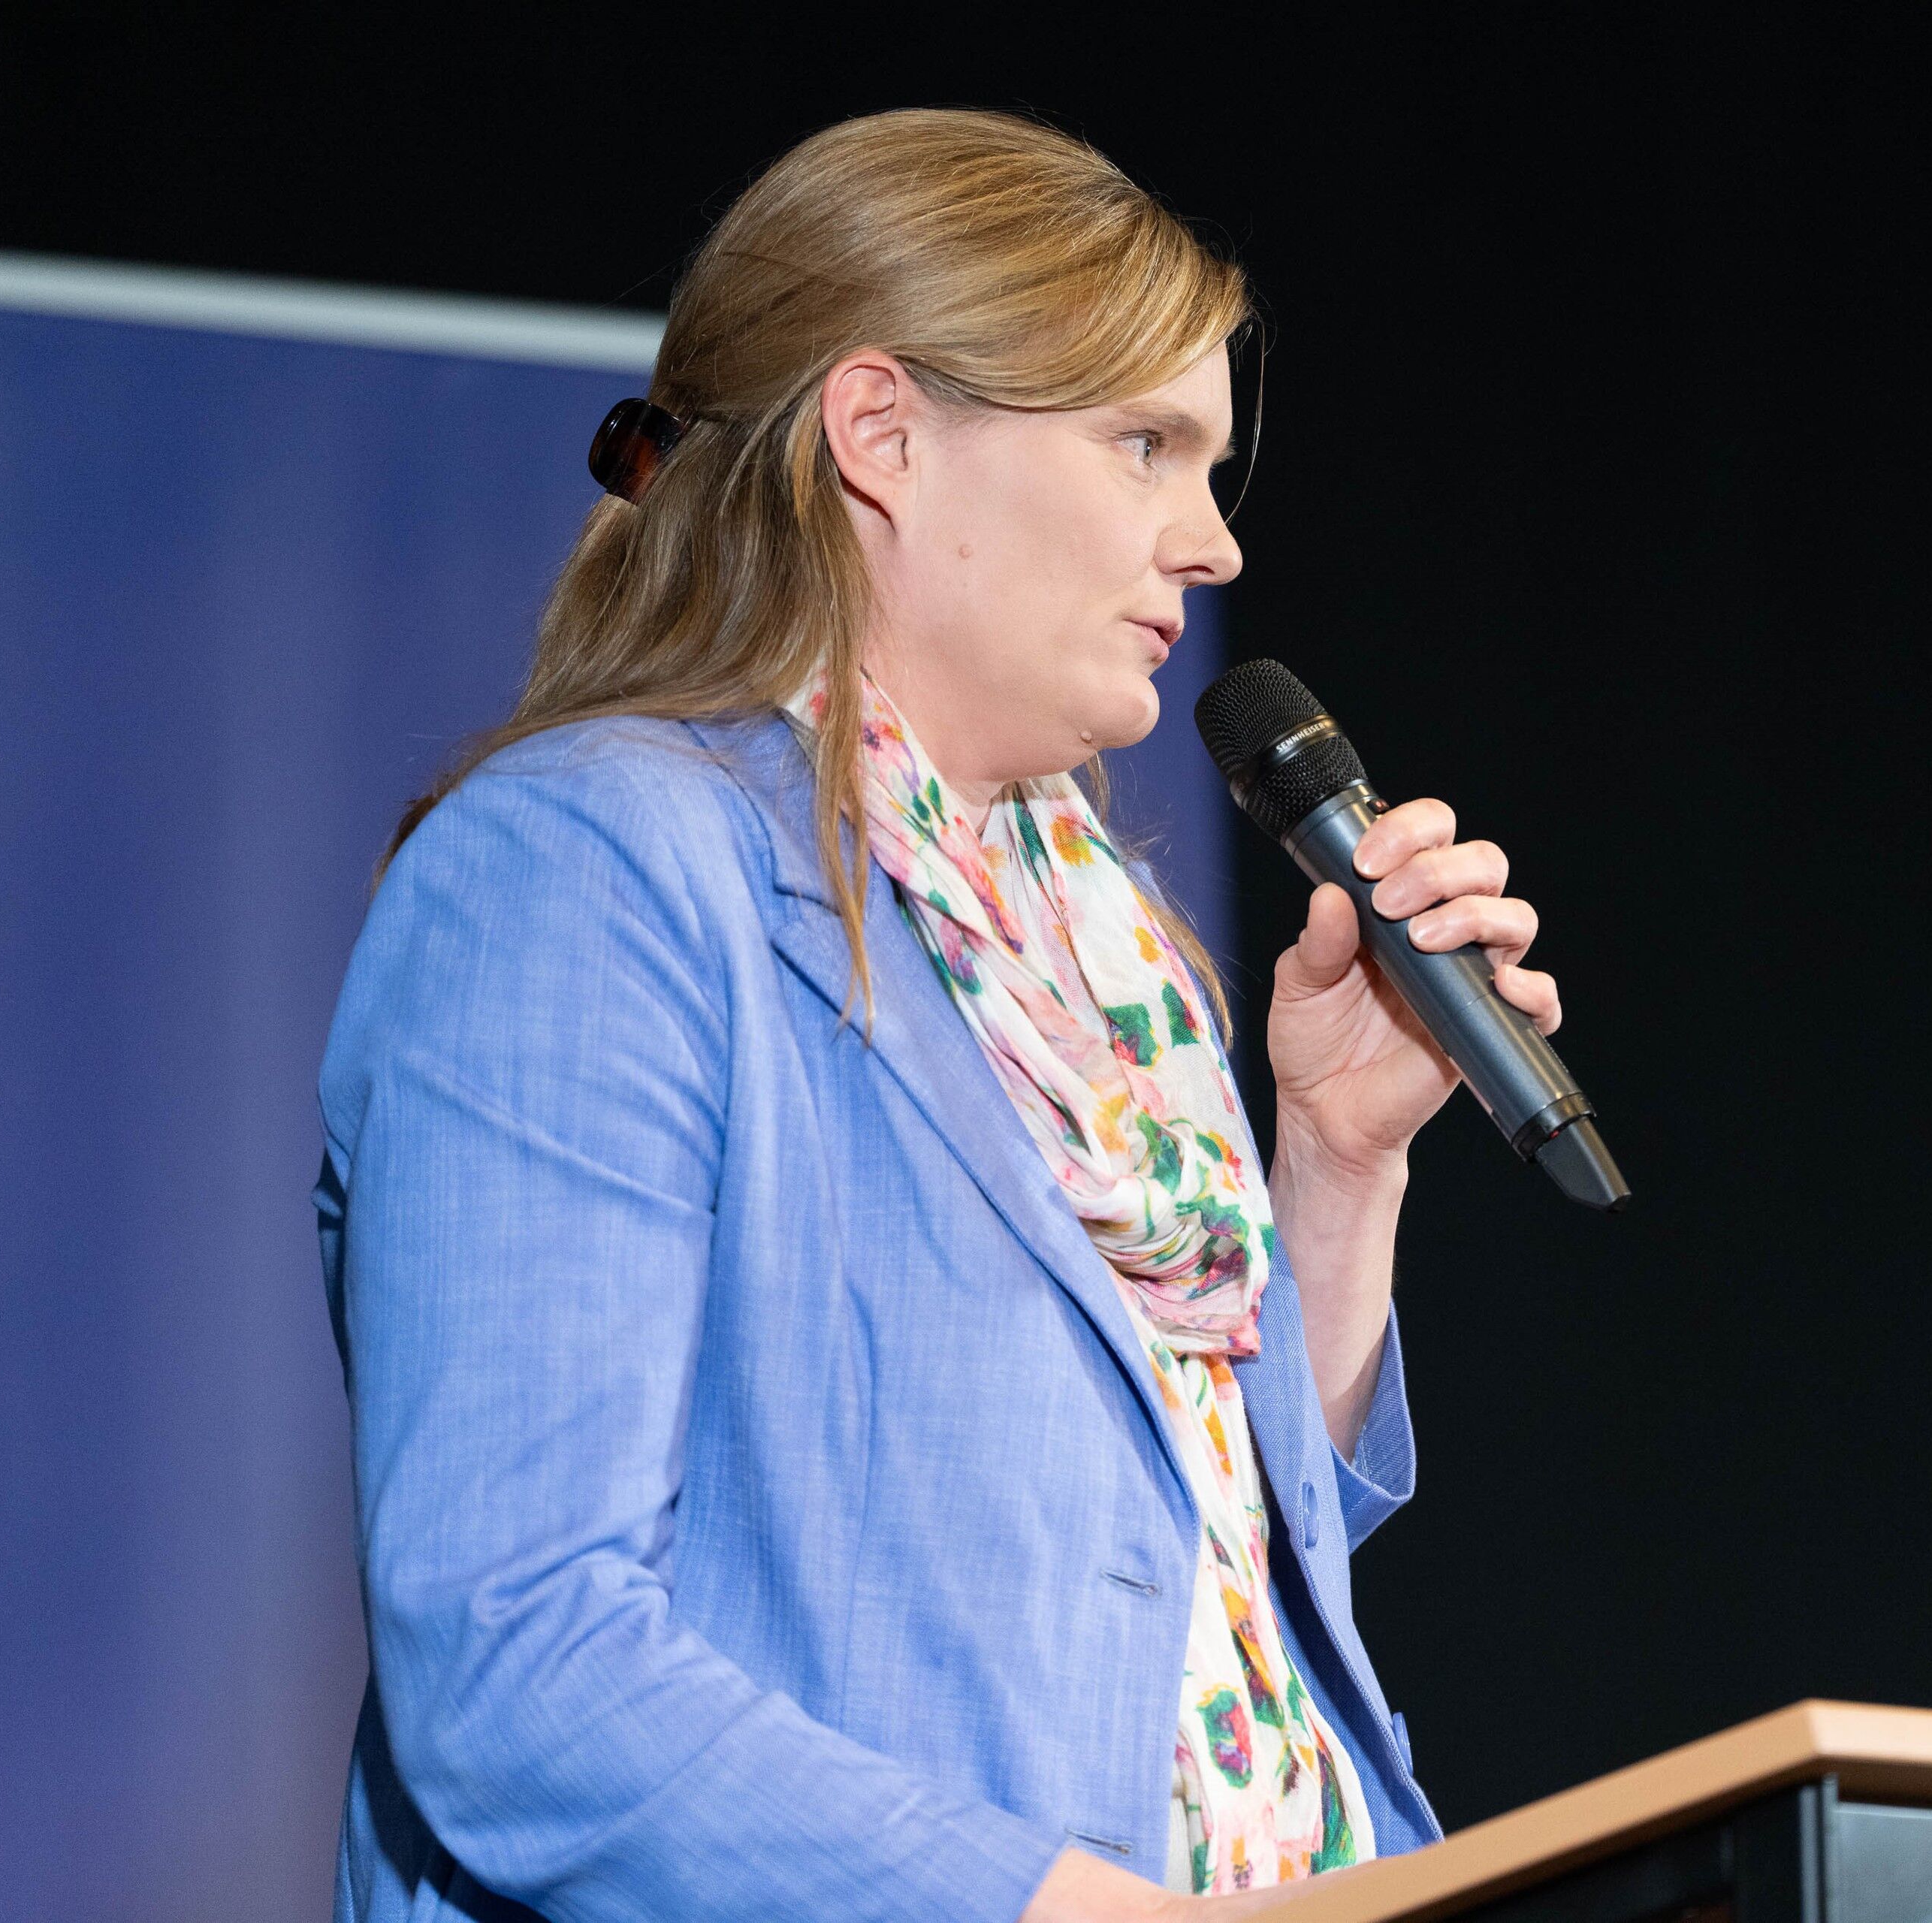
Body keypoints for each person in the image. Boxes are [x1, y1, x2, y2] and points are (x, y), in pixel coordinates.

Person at [315, 109, 1562, 1923]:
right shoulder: (593, 863)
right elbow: (523, 1664)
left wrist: (1343, 1160)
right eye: (1145, 444)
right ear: (882, 434)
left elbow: (1181, 1572)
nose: (1213, 542)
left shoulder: (1100, 954)